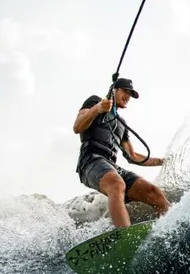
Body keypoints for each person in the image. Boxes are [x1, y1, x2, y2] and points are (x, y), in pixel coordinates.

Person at [73, 77, 171, 228]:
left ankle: (167, 232)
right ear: (114, 90)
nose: (128, 97)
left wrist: (163, 161)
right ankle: (125, 236)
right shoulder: (94, 102)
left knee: (154, 193)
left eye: (131, 94)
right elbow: (77, 127)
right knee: (116, 184)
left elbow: (133, 156)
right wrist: (97, 108)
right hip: (90, 162)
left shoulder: (122, 123)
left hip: (110, 166)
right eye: (125, 91)